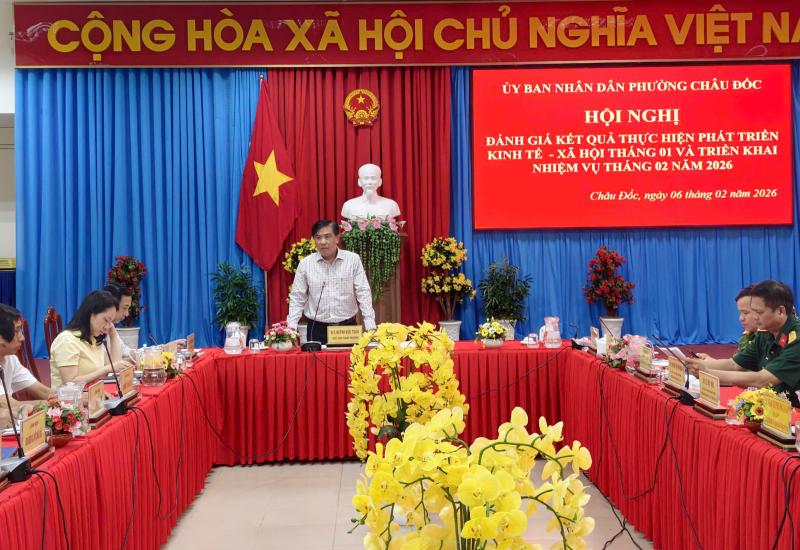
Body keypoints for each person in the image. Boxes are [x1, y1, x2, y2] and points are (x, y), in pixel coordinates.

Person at [687, 280, 800, 406]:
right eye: (753, 311)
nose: (755, 317)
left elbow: (763, 379)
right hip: (773, 407)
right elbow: (734, 364)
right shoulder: (765, 333)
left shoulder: (796, 338)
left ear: (780, 311)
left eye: (759, 312)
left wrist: (708, 373)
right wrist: (696, 364)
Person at [287, 219, 376, 344]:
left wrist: (370, 325)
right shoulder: (305, 264)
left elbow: (363, 292)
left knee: (350, 357)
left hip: (347, 329)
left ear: (337, 238)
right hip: (317, 328)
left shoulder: (352, 260)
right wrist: (291, 328)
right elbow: (297, 297)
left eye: (327, 237)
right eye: (318, 237)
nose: (323, 242)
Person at [50, 290, 121, 387]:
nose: (107, 327)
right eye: (106, 320)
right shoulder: (67, 340)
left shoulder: (93, 338)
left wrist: (113, 334)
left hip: (92, 393)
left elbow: (114, 367)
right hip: (70, 396)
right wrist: (106, 369)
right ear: (91, 313)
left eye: (111, 322)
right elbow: (70, 382)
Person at [0, 305, 52, 428]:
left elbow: (42, 391)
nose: (22, 338)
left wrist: (72, 399)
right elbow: (7, 404)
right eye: (17, 331)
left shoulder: (10, 359)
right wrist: (59, 405)